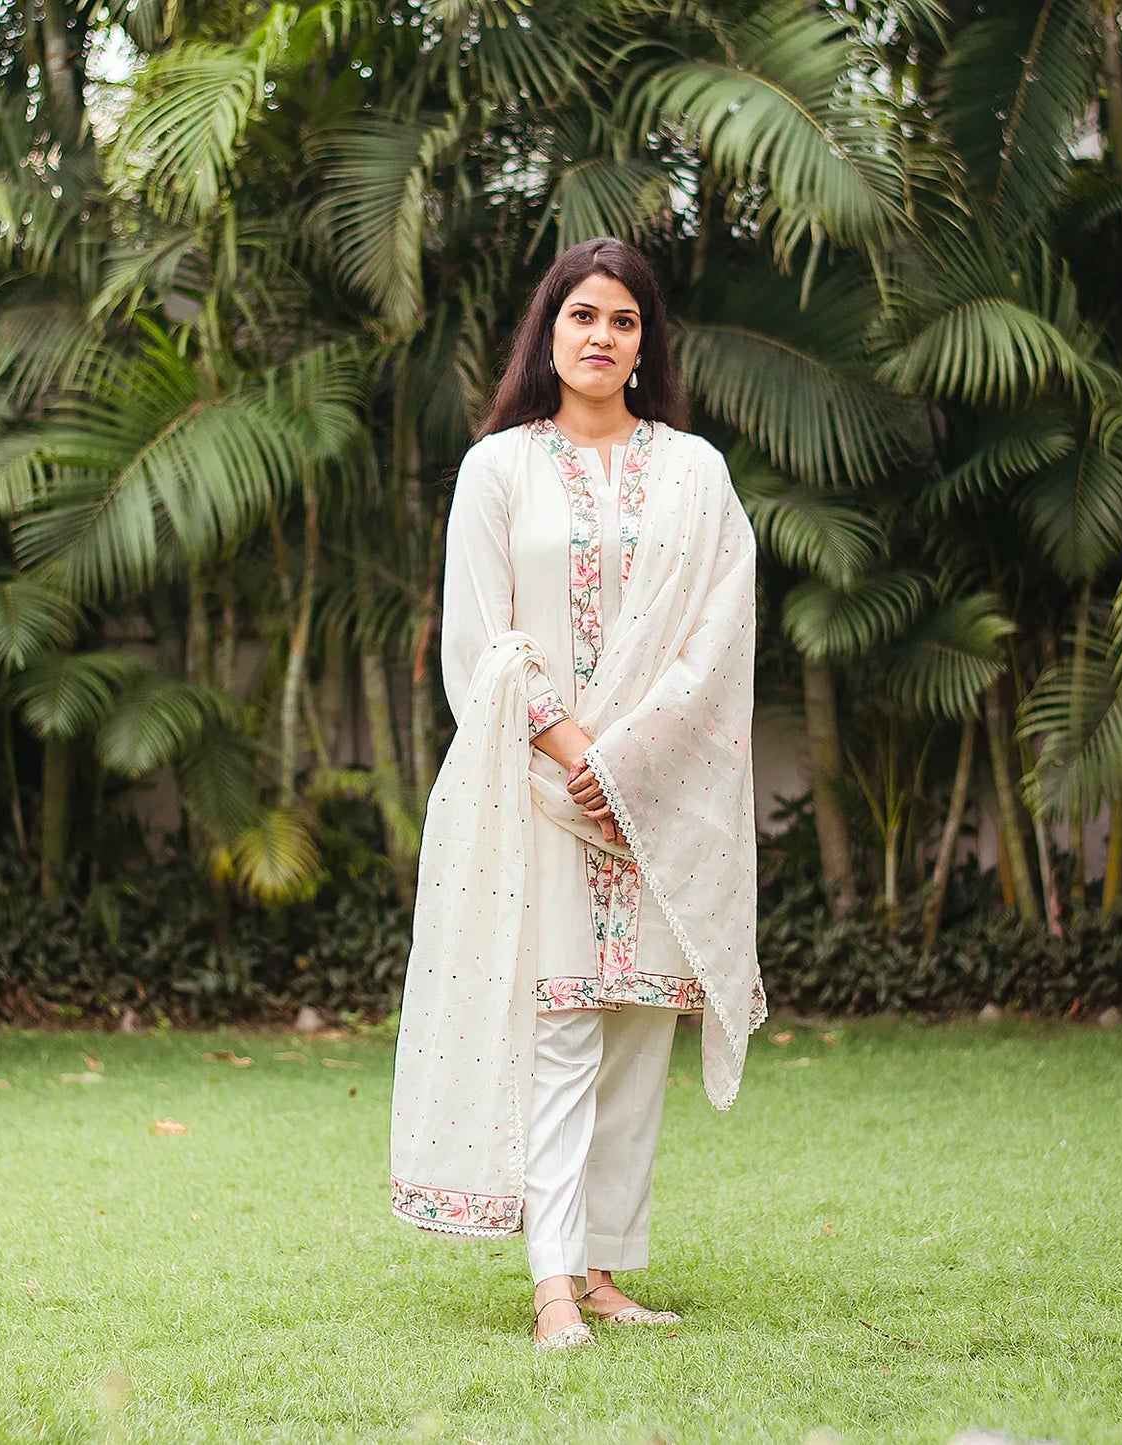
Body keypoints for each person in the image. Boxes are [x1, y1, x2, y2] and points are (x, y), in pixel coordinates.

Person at [389, 237, 765, 1351]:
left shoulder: (695, 472)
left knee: (638, 1029)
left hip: (658, 796)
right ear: (546, 334)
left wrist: (632, 762)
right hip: (542, 792)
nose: (600, 337)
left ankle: (604, 1268)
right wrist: (571, 751)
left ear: (646, 345)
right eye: (580, 317)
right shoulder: (498, 469)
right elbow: (480, 639)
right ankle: (552, 1282)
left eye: (623, 321)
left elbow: (718, 628)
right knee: (557, 1027)